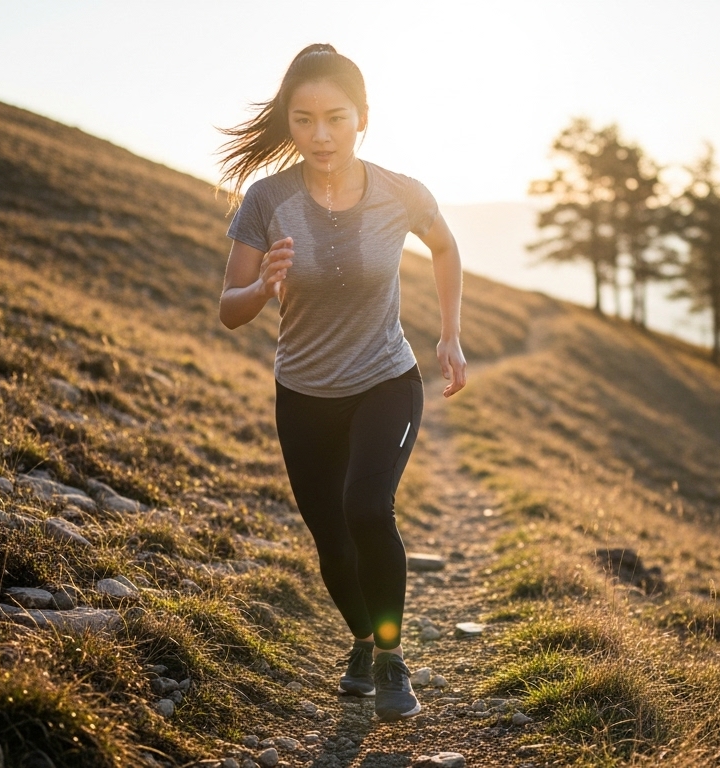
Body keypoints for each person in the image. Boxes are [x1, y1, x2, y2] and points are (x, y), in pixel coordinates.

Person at [216, 43, 467, 722]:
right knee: (330, 536)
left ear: (362, 117)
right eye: (302, 120)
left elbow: (445, 247)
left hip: (385, 380)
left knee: (366, 508)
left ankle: (391, 657)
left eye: (334, 117)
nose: (319, 135)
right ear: (288, 123)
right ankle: (361, 638)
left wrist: (448, 334)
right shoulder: (266, 200)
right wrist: (264, 284)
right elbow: (228, 307)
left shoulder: (401, 192)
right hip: (302, 393)